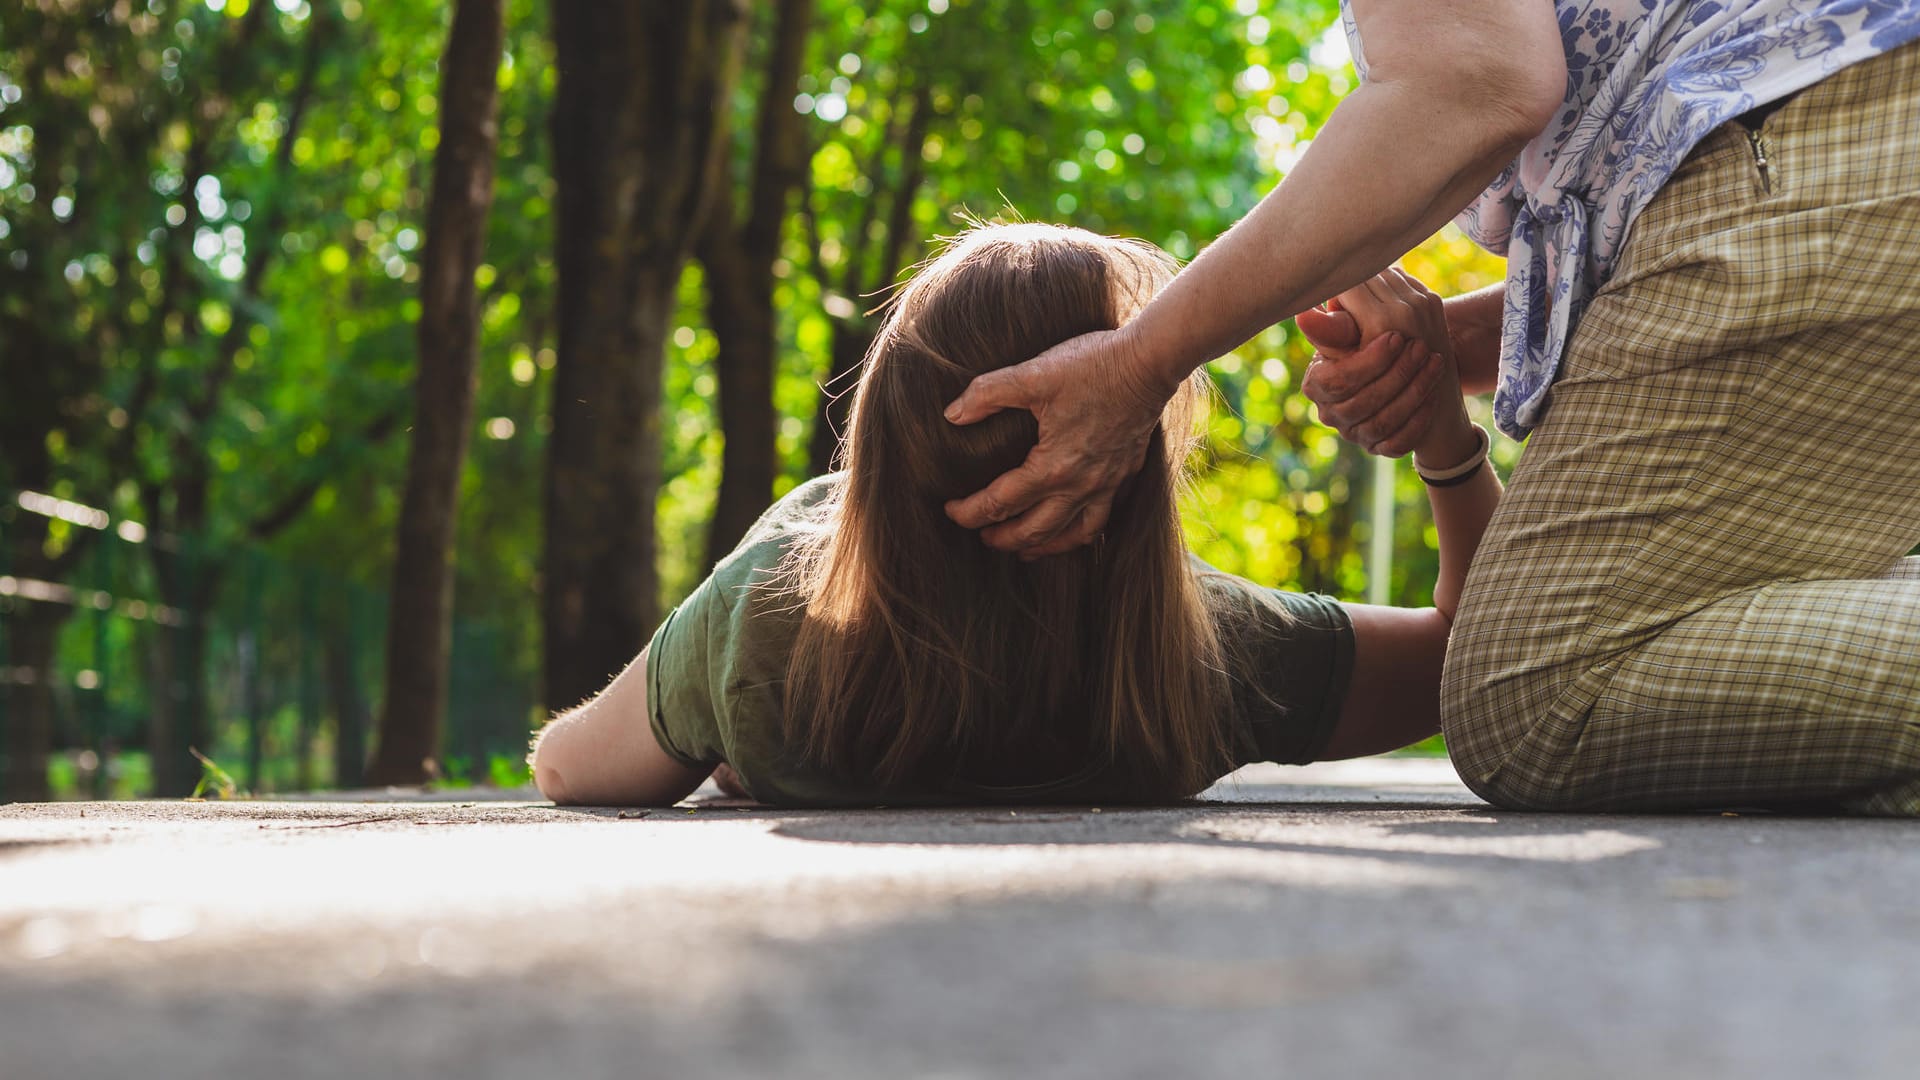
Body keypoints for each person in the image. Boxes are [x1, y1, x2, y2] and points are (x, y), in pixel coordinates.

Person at [939, 2, 1920, 814]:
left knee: (1536, 698)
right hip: (1849, 129)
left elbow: (1476, 81)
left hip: (1828, 133)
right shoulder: (1216, 659)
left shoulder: (792, 639)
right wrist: (1440, 359)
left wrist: (1144, 358)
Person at [528, 223, 1498, 807]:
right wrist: (1445, 439)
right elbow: (1475, 659)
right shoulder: (1207, 656)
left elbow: (568, 769)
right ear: (1128, 466)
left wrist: (732, 728)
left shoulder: (766, 629)